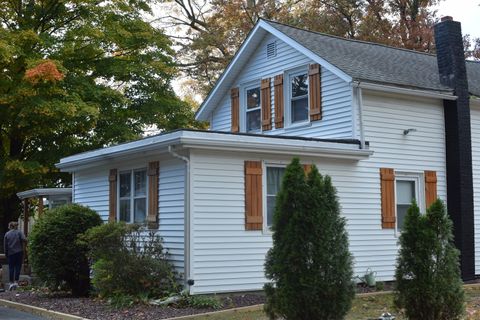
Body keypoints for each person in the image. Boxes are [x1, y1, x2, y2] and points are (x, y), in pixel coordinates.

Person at [3, 222, 26, 291]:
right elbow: (24, 239)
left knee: (11, 267)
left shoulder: (7, 234)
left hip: (10, 253)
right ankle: (16, 282)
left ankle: (11, 283)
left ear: (10, 227)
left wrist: (6, 253)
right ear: (15, 226)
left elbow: (5, 245)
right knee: (18, 267)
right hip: (19, 252)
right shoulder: (19, 232)